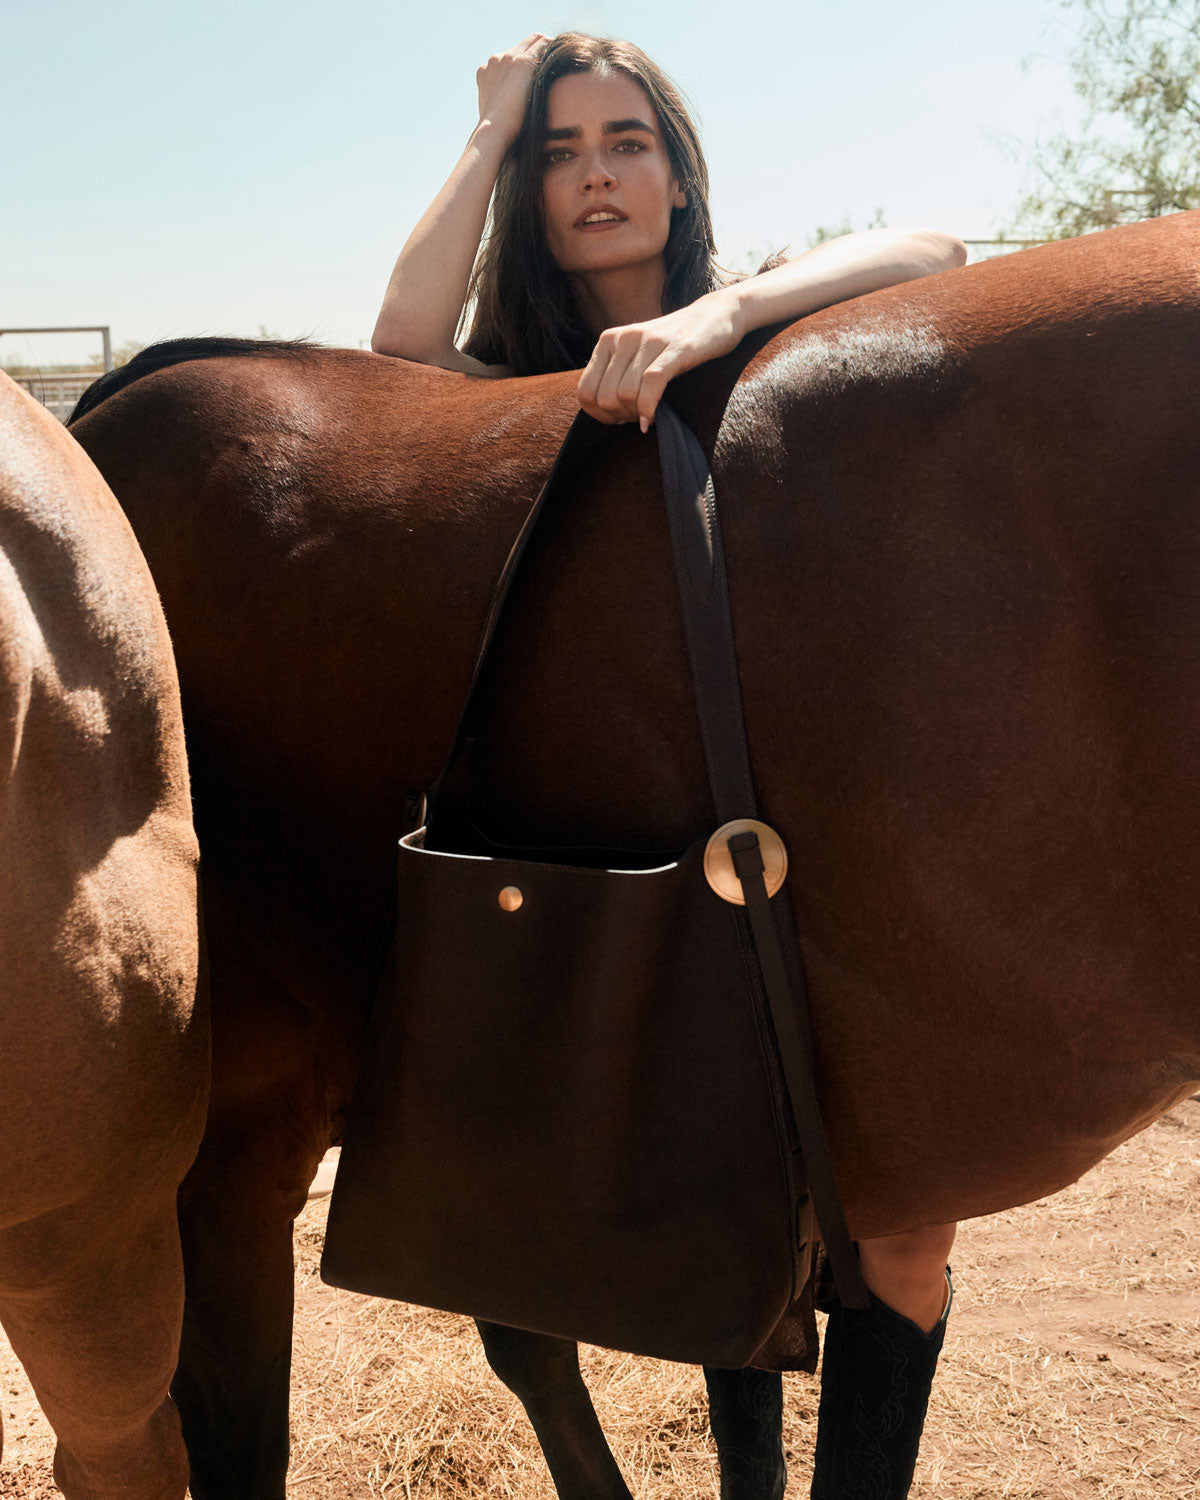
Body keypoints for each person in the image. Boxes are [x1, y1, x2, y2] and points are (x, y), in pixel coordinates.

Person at [373, 31, 961, 1499]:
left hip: (796, 826)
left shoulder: (764, 329)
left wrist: (716, 323)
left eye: (623, 140)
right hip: (609, 853)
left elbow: (937, 243)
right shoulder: (509, 377)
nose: (594, 174)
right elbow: (390, 350)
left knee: (901, 1222)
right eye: (558, 152)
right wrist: (488, 124)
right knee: (700, 1197)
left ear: (677, 166)